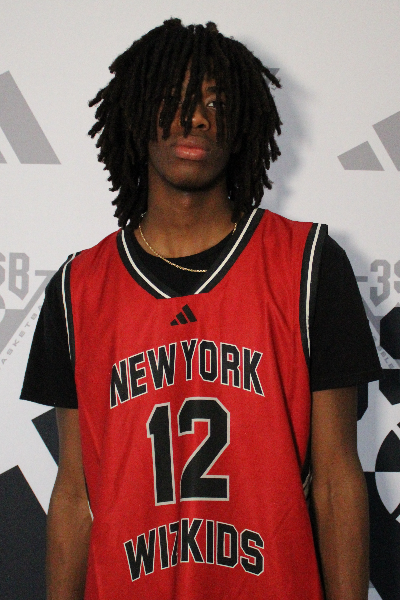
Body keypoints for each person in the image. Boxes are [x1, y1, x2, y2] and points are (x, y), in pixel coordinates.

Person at [21, 18, 382, 600]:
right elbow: (73, 492)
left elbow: (338, 479)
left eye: (216, 102)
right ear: (137, 117)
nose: (196, 119)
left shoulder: (309, 264)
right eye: (174, 99)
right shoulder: (78, 288)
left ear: (241, 128)